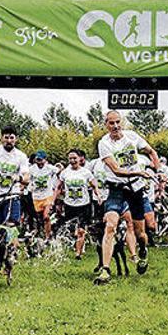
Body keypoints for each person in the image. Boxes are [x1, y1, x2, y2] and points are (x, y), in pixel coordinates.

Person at [94, 111, 159, 284]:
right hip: (116, 189)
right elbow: (115, 169)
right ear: (106, 125)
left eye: (117, 122)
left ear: (121, 122)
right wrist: (138, 171)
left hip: (135, 189)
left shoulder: (132, 137)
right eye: (111, 123)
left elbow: (151, 151)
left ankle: (143, 250)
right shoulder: (104, 143)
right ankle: (105, 270)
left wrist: (157, 170)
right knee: (110, 226)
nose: (115, 126)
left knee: (141, 233)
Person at [56, 149, 99, 259]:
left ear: (80, 159)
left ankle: (78, 253)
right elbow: (58, 187)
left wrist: (98, 196)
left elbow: (94, 185)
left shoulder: (86, 172)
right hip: (69, 205)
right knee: (71, 231)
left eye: (74, 158)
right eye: (70, 158)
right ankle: (75, 246)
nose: (72, 160)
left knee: (81, 230)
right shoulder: (65, 172)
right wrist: (54, 201)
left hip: (84, 205)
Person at [27, 150, 57, 240]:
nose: (39, 162)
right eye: (37, 160)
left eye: (41, 160)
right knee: (38, 218)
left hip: (48, 195)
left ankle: (48, 237)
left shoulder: (50, 168)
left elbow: (60, 171)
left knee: (46, 216)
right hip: (36, 197)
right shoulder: (31, 169)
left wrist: (57, 185)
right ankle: (40, 232)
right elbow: (27, 179)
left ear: (45, 159)